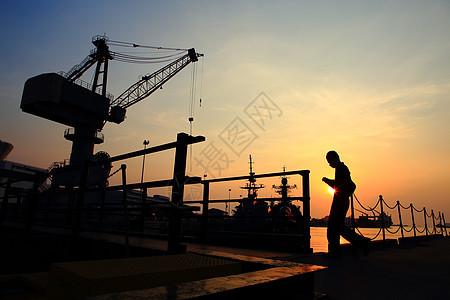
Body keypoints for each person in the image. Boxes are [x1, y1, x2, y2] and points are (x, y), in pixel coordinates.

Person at [322, 150, 370, 256]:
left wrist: (327, 181)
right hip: (341, 201)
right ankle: (338, 250)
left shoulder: (341, 169)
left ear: (334, 159)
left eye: (329, 162)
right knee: (337, 226)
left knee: (334, 227)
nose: (329, 164)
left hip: (340, 202)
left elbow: (338, 185)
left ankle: (361, 243)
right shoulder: (342, 168)